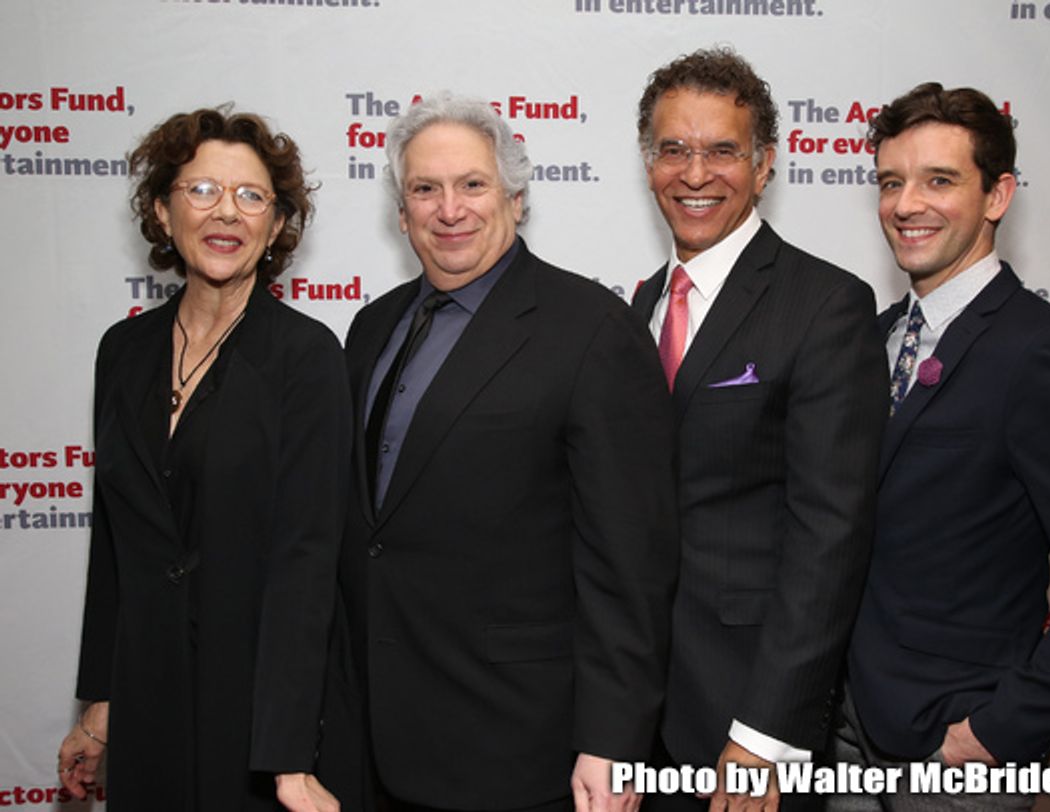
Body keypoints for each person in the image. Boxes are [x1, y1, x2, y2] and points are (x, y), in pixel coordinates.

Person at [332, 93, 678, 812]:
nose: (448, 209)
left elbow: (630, 563)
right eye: (425, 189)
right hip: (378, 735)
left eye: (472, 185)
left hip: (522, 747)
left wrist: (614, 740)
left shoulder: (590, 329)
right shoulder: (371, 328)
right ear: (401, 214)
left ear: (516, 200)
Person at [831, 82, 1050, 810]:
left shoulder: (1042, 354)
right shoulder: (870, 337)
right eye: (891, 182)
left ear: (998, 195)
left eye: (939, 180)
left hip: (956, 758)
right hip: (841, 735)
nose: (906, 204)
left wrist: (996, 732)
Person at [56, 107, 352, 812]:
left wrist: (286, 758)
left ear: (277, 226)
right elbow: (116, 540)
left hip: (253, 713)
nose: (228, 213)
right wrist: (99, 702)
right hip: (147, 696)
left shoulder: (306, 358)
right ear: (161, 211)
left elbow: (306, 562)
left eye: (253, 196)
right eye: (201, 190)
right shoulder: (121, 353)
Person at [629, 47, 889, 810]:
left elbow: (831, 537)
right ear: (649, 163)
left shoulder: (825, 305)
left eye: (722, 151)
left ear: (765, 163)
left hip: (748, 728)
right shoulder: (639, 304)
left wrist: (766, 734)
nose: (695, 173)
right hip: (639, 717)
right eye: (674, 149)